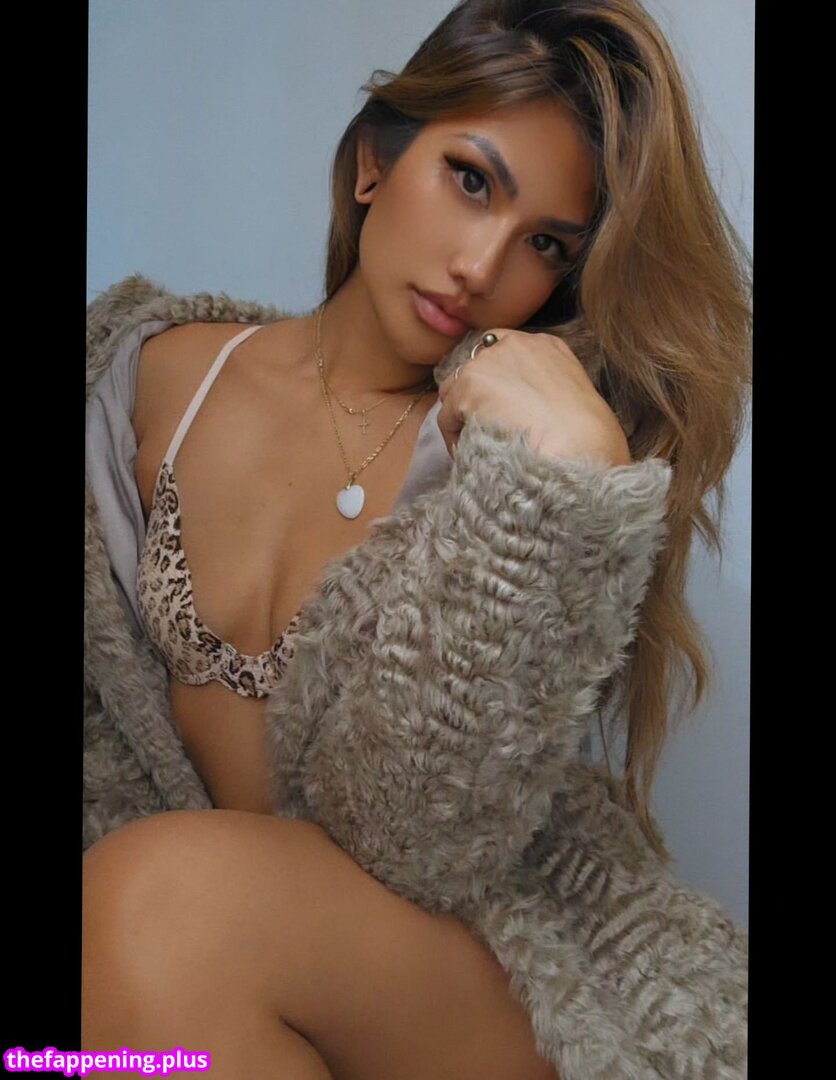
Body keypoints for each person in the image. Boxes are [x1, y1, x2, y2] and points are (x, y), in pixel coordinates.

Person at [83, 1, 751, 1077]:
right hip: (180, 983)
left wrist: (563, 486)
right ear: (372, 163)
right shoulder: (127, 379)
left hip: (469, 972)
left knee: (163, 898)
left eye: (545, 244)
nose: (482, 265)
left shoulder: (506, 462)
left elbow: (417, 842)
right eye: (471, 180)